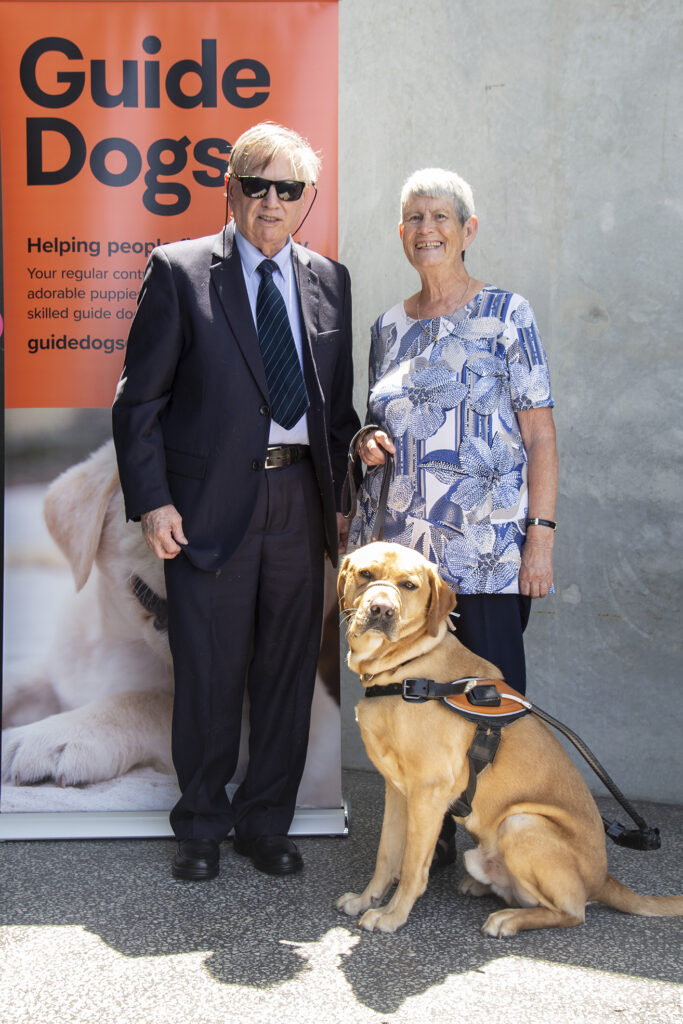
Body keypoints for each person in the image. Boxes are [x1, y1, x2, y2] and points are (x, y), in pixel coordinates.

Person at [112, 122, 359, 881]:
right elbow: (138, 403)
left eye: (288, 188)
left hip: (298, 501)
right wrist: (153, 503)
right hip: (207, 505)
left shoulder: (330, 279)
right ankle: (201, 825)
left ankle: (265, 823)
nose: (271, 201)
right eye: (258, 184)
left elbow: (336, 409)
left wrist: (347, 490)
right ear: (232, 190)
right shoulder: (180, 271)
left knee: (286, 670)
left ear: (307, 199)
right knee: (209, 669)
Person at [349, 167, 558, 867]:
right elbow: (376, 426)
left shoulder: (507, 314)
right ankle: (427, 844)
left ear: (467, 230)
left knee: (487, 709)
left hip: (489, 553)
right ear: (400, 233)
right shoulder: (386, 326)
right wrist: (362, 442)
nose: (425, 230)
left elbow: (539, 436)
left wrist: (541, 537)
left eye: (439, 216)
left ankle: (500, 845)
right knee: (413, 703)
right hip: (405, 563)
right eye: (412, 218)